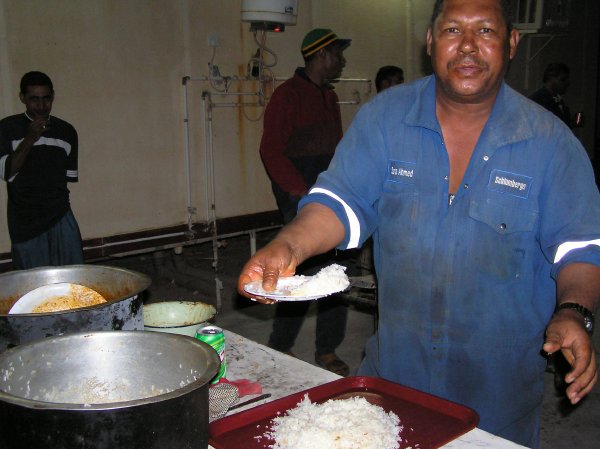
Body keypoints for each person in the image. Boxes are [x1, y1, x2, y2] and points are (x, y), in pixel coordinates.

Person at [239, 1, 600, 447]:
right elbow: (340, 200)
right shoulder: (385, 119)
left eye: (486, 31)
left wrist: (574, 312)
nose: (468, 46)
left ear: (511, 42)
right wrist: (289, 246)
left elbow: (581, 249)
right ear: (430, 41)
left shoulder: (551, 144)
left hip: (497, 404)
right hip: (394, 386)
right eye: (452, 30)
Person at [258, 28, 352, 376]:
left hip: (329, 197)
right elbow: (271, 150)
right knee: (297, 275)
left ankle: (327, 349)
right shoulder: (288, 96)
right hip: (299, 198)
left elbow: (337, 151)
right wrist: (298, 193)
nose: (342, 61)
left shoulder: (329, 98)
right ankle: (280, 345)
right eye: (338, 54)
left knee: (337, 273)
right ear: (321, 54)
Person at [0, 71, 83, 270]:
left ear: (52, 96)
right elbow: (7, 172)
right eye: (34, 99)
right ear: (22, 98)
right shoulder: (7, 128)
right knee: (34, 282)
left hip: (60, 215)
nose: (41, 105)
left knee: (74, 277)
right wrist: (30, 138)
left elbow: (67, 178)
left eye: (46, 98)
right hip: (25, 222)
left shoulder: (66, 131)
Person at [529, 62, 575, 127]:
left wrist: (572, 123)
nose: (567, 83)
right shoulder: (537, 100)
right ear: (551, 78)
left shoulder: (559, 100)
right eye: (563, 79)